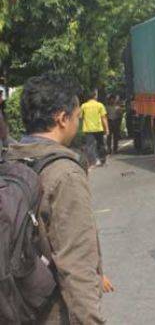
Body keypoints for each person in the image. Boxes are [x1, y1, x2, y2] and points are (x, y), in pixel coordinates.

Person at [6, 73, 112, 324]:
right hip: (48, 311)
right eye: (77, 117)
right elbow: (76, 264)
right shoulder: (64, 173)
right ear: (62, 119)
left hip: (14, 302)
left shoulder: (10, 159)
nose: (78, 124)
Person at [81, 90, 109, 166]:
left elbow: (81, 117)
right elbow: (104, 118)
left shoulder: (83, 106)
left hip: (88, 129)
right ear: (95, 96)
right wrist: (107, 129)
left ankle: (93, 161)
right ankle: (103, 159)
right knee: (101, 145)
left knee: (90, 146)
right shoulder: (100, 105)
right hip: (98, 128)